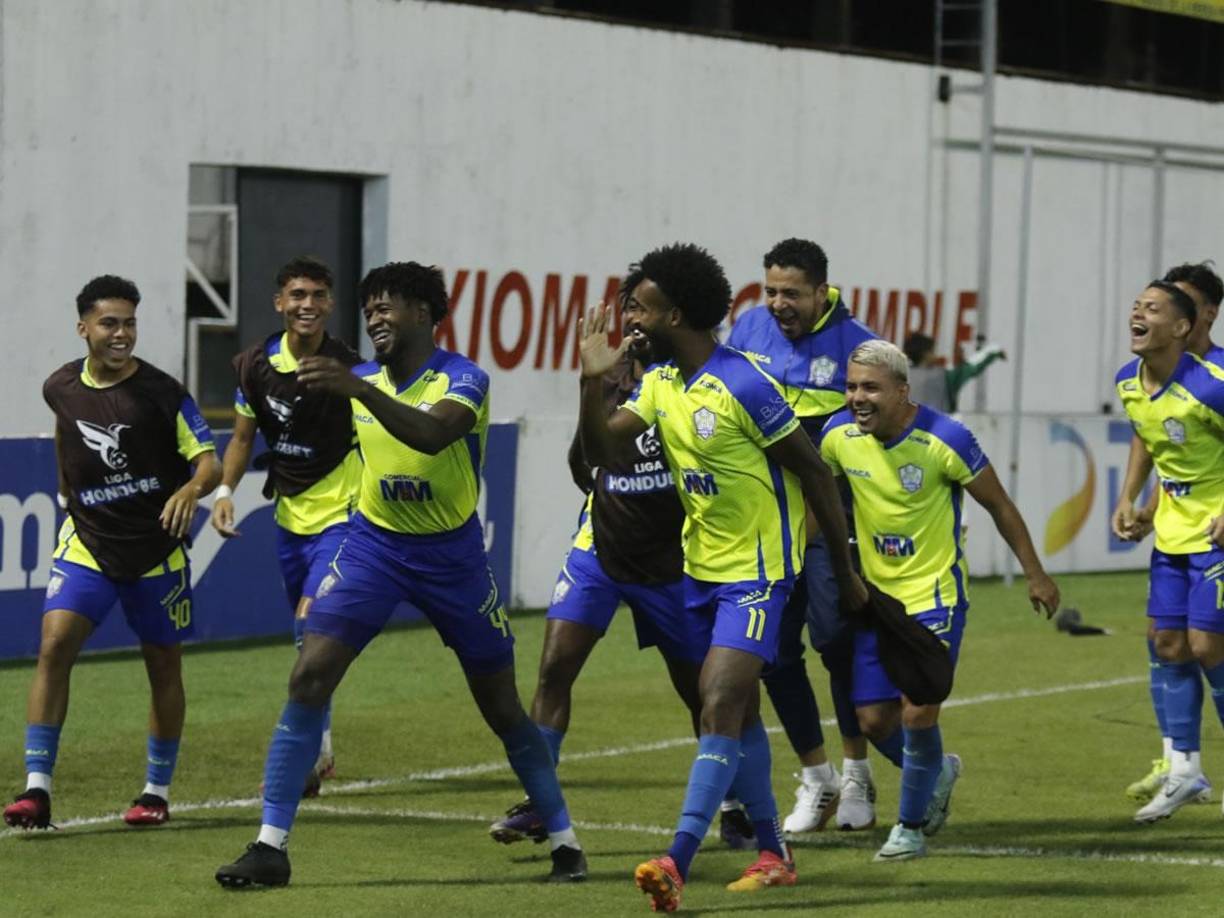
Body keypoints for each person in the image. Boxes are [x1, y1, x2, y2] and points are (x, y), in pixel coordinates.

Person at [214, 262, 586, 888]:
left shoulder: (463, 378)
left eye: (390, 306)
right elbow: (294, 428)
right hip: (373, 549)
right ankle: (269, 846)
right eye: (370, 307)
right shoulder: (357, 379)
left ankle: (567, 845)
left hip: (453, 561)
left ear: (425, 313)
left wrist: (358, 392)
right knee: (309, 675)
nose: (376, 316)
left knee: (501, 708)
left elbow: (433, 434)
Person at [577, 243, 867, 911]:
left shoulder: (743, 382)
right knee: (737, 716)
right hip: (700, 571)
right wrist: (592, 382)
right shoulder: (660, 382)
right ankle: (774, 853)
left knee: (715, 702)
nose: (630, 322)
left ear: (675, 312)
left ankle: (675, 860)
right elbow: (602, 452)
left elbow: (816, 472)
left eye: (640, 310)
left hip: (759, 575)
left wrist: (845, 573)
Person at [819, 339, 1058, 861]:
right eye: (852, 386)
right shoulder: (837, 436)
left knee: (919, 713)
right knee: (873, 722)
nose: (857, 397)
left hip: (934, 596)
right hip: (876, 600)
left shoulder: (945, 438)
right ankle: (939, 770)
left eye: (870, 388)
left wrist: (1035, 574)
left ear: (902, 392)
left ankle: (909, 829)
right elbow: (825, 503)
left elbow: (999, 505)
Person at [489, 329, 724, 844]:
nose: (626, 349)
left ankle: (730, 798)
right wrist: (590, 389)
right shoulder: (609, 398)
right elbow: (581, 463)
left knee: (702, 692)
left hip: (669, 566)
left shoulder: (678, 393)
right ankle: (539, 800)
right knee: (554, 669)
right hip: (597, 553)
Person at [3, 275, 220, 830]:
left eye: (129, 323)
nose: (122, 333)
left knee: (162, 666)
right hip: (88, 543)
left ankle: (155, 791)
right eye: (110, 323)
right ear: (84, 329)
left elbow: (209, 461)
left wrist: (191, 490)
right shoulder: (60, 386)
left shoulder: (163, 392)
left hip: (155, 552)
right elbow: (64, 434)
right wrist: (65, 493)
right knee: (54, 646)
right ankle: (36, 789)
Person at [727, 238, 888, 834]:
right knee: (771, 654)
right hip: (763, 521)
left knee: (836, 641)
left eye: (790, 293)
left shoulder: (860, 347)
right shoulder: (747, 331)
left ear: (823, 291)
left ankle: (856, 775)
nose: (777, 303)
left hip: (831, 522)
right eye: (770, 290)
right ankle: (816, 779)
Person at [211, 256, 361, 790]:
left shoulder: (350, 367)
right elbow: (243, 438)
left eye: (318, 295)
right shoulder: (254, 366)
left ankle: (308, 757)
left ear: (330, 304)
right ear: (280, 302)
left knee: (310, 626)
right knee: (308, 643)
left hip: (343, 516)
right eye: (298, 294)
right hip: (290, 518)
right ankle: (321, 746)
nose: (308, 304)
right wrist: (226, 491)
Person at [1112, 280, 1224, 823]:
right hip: (1174, 533)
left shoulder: (1211, 385)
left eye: (1151, 309)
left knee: (1207, 644)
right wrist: (1132, 499)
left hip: (1217, 532)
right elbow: (1147, 436)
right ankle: (1183, 770)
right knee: (1168, 641)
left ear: (1184, 326)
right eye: (1137, 306)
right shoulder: (1127, 382)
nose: (1138, 313)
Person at [902, 333, 1005, 414]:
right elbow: (971, 368)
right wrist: (994, 352)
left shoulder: (901, 377)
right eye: (932, 351)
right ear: (925, 354)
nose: (936, 355)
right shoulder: (942, 376)